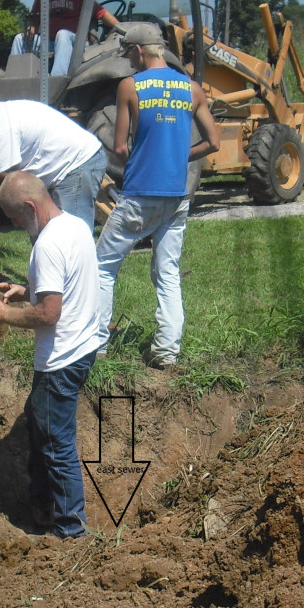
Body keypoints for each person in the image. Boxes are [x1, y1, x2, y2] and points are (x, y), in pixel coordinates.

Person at [0, 172, 102, 538]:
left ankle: (71, 530)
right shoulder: (76, 225)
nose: (14, 224)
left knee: (56, 444)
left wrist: (5, 313)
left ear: (30, 207)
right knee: (40, 424)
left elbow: (49, 314)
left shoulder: (47, 244)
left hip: (59, 360)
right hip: (82, 348)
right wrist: (28, 290)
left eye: (15, 217)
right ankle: (43, 505)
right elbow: (64, 283)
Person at [95, 22, 220, 369]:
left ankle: (96, 345)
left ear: (139, 51)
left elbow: (120, 146)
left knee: (103, 267)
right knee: (167, 273)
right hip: (177, 196)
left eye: (129, 55)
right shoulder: (192, 88)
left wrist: (140, 161)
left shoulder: (130, 86)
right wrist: (179, 157)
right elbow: (213, 142)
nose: (129, 62)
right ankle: (166, 352)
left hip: (139, 195)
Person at [0, 91, 108, 233]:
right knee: (43, 231)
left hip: (77, 163)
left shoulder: (0, 128)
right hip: (62, 168)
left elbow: (9, 179)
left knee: (73, 234)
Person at [9, 0, 120, 75]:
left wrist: (122, 28)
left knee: (62, 34)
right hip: (49, 43)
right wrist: (31, 29)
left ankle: (57, 78)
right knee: (19, 39)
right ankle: (14, 77)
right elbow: (34, 19)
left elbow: (101, 13)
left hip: (76, 43)